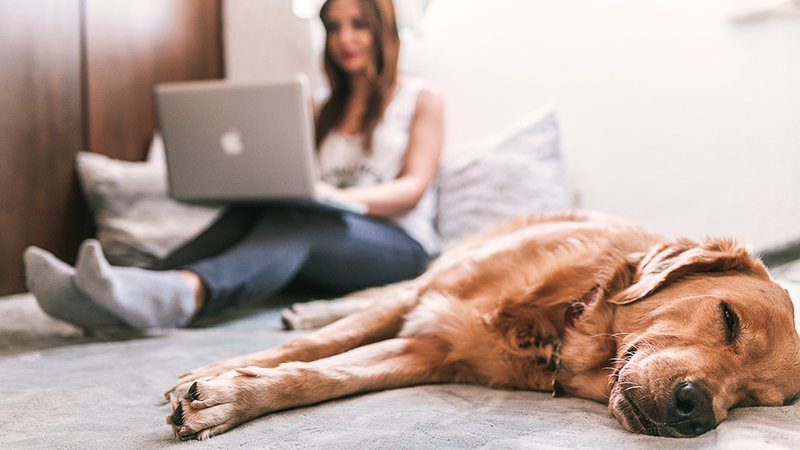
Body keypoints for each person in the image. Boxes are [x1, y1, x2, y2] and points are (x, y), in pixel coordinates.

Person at [23, 0, 444, 330]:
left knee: (301, 221)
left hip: (399, 248)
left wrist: (338, 197)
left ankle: (185, 294)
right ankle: (120, 289)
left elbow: (414, 187)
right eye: (333, 27)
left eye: (359, 24)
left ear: (383, 28)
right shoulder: (318, 107)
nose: (344, 38)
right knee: (266, 210)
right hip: (324, 240)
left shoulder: (421, 98)